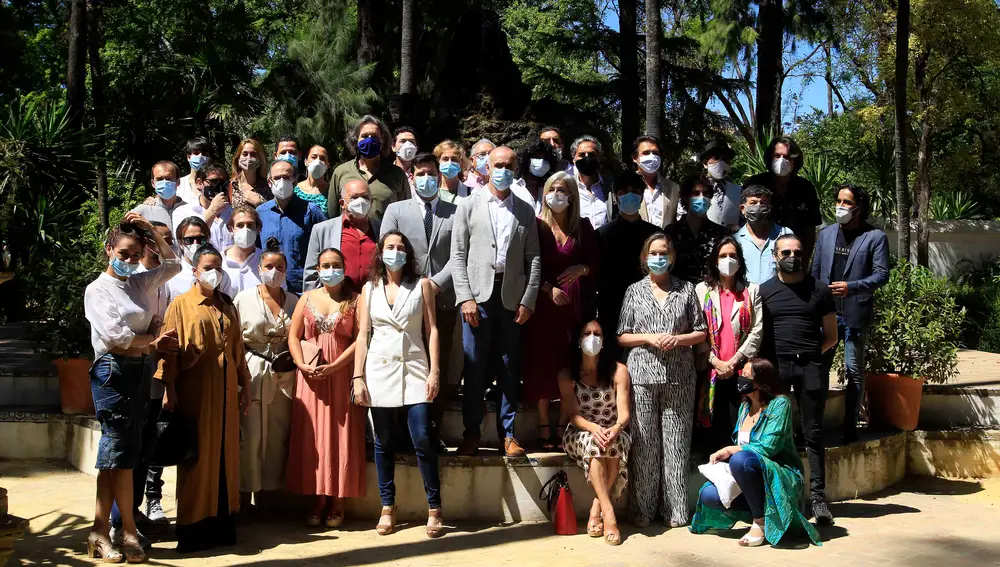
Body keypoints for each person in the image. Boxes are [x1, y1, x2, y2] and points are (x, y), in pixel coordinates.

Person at [84, 213, 180, 563]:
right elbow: (117, 340)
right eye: (122, 253)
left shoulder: (140, 282)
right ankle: (123, 529)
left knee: (122, 457)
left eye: (135, 254)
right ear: (108, 250)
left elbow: (174, 265)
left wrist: (152, 231)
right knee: (118, 457)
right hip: (112, 374)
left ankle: (101, 530)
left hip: (140, 372)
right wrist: (154, 337)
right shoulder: (97, 289)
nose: (128, 260)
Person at [156, 244, 252, 553]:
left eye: (218, 267)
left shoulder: (227, 306)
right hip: (196, 396)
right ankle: (193, 526)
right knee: (198, 459)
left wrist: (245, 386)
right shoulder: (181, 306)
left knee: (225, 458)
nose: (214, 272)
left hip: (226, 397)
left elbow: (238, 351)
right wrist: (169, 389)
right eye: (208, 267)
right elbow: (168, 353)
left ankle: (222, 523)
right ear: (195, 271)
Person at [452, 145, 541, 457]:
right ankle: (471, 434)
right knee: (474, 368)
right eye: (497, 164)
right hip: (477, 298)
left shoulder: (526, 210)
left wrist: (528, 300)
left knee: (508, 368)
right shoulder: (467, 205)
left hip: (511, 299)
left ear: (515, 168)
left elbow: (534, 259)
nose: (502, 169)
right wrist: (465, 298)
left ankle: (509, 435)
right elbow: (458, 255)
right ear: (486, 167)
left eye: (508, 164)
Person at [353, 231, 443, 538]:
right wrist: (358, 377)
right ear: (381, 252)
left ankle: (434, 508)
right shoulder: (369, 289)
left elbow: (431, 329)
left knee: (422, 438)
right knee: (384, 441)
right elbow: (363, 335)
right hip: (379, 370)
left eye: (401, 247)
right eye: (390, 247)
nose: (395, 252)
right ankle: (387, 507)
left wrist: (435, 371)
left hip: (416, 368)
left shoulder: (422, 285)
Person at [617, 232, 707, 528]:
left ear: (672, 256)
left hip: (679, 377)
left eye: (664, 252)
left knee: (676, 444)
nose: (659, 257)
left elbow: (701, 331)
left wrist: (678, 339)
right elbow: (623, 335)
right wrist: (648, 337)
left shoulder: (687, 289)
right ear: (645, 258)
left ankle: (676, 510)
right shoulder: (633, 291)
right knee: (645, 446)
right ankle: (643, 508)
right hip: (642, 376)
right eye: (653, 252)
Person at [690, 358, 821, 547]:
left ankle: (760, 522)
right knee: (709, 495)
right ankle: (760, 512)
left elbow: (770, 446)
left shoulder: (780, 404)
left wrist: (731, 450)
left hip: (778, 472)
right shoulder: (744, 407)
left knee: (739, 459)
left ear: (760, 381)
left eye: (746, 376)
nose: (741, 379)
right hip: (749, 474)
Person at [759, 234, 839, 525]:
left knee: (813, 433)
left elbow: (831, 336)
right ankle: (782, 495)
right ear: (775, 256)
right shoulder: (764, 291)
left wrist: (810, 355)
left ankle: (818, 499)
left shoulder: (820, 290)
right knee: (776, 435)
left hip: (810, 368)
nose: (792, 256)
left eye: (798, 251)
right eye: (786, 252)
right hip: (776, 369)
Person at [380, 152, 459, 441]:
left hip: (445, 298)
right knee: (408, 361)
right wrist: (411, 286)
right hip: (405, 300)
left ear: (440, 177)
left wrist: (436, 283)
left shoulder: (457, 210)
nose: (426, 178)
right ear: (411, 177)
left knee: (440, 363)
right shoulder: (396, 211)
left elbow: (460, 254)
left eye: (431, 173)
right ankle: (402, 430)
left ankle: (432, 429)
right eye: (420, 173)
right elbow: (388, 251)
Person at [286, 247, 365, 528]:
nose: (330, 269)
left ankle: (339, 499)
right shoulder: (306, 298)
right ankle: (318, 497)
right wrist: (301, 364)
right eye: (324, 265)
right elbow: (293, 336)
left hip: (342, 373)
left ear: (344, 268)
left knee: (342, 434)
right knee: (314, 435)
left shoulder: (356, 300)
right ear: (317, 269)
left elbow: (360, 339)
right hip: (310, 376)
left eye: (335, 264)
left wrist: (336, 366)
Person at [522, 171, 598, 450]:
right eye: (552, 189)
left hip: (575, 306)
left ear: (572, 195)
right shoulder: (537, 226)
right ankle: (544, 421)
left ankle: (569, 418)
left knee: (569, 360)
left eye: (563, 189)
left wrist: (582, 268)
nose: (557, 194)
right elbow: (527, 264)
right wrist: (548, 289)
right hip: (544, 305)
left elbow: (596, 263)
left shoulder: (584, 227)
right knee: (543, 361)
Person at [812, 184, 890, 442]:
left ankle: (850, 424)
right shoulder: (825, 234)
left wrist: (852, 287)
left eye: (846, 202)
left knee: (853, 368)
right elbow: (814, 273)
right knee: (820, 368)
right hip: (826, 314)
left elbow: (881, 275)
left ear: (859, 207)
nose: (841, 207)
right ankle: (815, 425)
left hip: (855, 313)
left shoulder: (874, 237)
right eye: (838, 201)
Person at [234, 238, 299, 515]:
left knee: (277, 433)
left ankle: (271, 496)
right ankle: (244, 493)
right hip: (252, 368)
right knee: (250, 434)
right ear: (260, 267)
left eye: (280, 267)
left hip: (283, 373)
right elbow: (234, 339)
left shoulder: (295, 301)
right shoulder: (244, 299)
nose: (274, 271)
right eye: (269, 266)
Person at [559, 320, 631, 546]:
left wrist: (615, 428)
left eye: (597, 333)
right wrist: (594, 428)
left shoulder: (619, 370)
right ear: (579, 340)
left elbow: (624, 414)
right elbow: (573, 415)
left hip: (613, 430)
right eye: (587, 333)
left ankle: (596, 507)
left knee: (612, 444)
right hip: (580, 431)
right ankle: (609, 514)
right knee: (594, 443)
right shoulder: (567, 374)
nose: (592, 337)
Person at [694, 236, 764, 445]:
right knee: (713, 429)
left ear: (740, 261)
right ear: (715, 261)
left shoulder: (752, 291)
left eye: (732, 255)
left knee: (739, 427)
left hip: (740, 371)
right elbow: (698, 330)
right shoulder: (702, 291)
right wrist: (716, 362)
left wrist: (732, 363)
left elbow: (756, 331)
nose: (728, 259)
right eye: (723, 256)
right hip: (710, 371)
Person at [134, 221, 174, 526]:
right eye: (156, 239)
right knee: (129, 447)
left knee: (151, 443)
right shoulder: (133, 278)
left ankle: (148, 502)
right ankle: (123, 515)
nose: (162, 244)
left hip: (156, 373)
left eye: (167, 238)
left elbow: (173, 262)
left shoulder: (166, 282)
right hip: (131, 371)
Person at [595, 172, 658, 360]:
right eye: (623, 192)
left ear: (642, 197)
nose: (629, 196)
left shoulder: (654, 234)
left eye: (635, 192)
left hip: (648, 308)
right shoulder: (601, 235)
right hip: (612, 308)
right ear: (615, 197)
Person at [257, 160, 328, 293]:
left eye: (286, 177)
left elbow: (327, 249)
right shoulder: (260, 214)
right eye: (277, 178)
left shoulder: (312, 212)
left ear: (294, 180)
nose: (282, 181)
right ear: (269, 182)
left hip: (303, 291)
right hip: (270, 291)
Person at [744, 137, 822, 257]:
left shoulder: (806, 188)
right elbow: (742, 221)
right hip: (759, 253)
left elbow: (810, 231)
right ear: (770, 158)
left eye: (787, 157)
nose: (781, 160)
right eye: (777, 156)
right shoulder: (754, 183)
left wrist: (804, 263)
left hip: (792, 257)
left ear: (794, 160)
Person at [304, 179, 381, 292]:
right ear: (342, 204)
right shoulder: (322, 230)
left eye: (365, 197)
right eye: (354, 197)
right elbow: (311, 274)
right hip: (336, 301)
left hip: (372, 300)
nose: (360, 201)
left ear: (371, 201)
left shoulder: (381, 229)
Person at [330, 115, 409, 221]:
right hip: (348, 236)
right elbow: (332, 214)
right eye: (365, 136)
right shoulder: (341, 172)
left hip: (385, 237)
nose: (369, 140)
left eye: (375, 136)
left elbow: (406, 214)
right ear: (356, 140)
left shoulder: (397, 175)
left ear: (383, 141)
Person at [666, 176, 728, 284]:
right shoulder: (671, 233)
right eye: (696, 193)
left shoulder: (720, 233)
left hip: (709, 294)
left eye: (705, 193)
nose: (701, 197)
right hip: (678, 293)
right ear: (686, 198)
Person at [166, 216, 235, 303]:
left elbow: (226, 306)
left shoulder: (221, 275)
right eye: (189, 240)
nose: (196, 244)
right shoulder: (171, 277)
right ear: (180, 243)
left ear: (208, 239)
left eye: (201, 239)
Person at [734, 185, 793, 285]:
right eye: (753, 203)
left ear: (770, 207)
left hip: (777, 296)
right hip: (746, 297)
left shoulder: (785, 234)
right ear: (743, 209)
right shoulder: (735, 240)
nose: (758, 206)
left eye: (763, 203)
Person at [173, 161, 235, 251]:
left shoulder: (234, 214)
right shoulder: (182, 212)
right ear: (199, 183)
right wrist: (212, 211)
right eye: (214, 181)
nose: (219, 186)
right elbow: (182, 244)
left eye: (223, 182)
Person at [632, 136, 680, 229]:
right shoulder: (626, 187)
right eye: (646, 153)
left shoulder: (673, 188)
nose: (651, 156)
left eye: (655, 153)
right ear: (635, 158)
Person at [568, 135, 611, 229]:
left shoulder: (610, 188)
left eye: (591, 155)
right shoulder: (568, 188)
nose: (587, 158)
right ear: (574, 159)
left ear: (598, 158)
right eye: (582, 155)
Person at [698, 140, 741, 229]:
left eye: (725, 159)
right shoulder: (695, 190)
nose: (721, 163)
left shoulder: (739, 191)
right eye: (716, 158)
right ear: (705, 163)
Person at [222, 206, 265, 296]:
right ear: (231, 229)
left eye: (250, 225)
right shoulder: (220, 262)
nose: (245, 230)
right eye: (240, 225)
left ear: (258, 229)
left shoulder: (266, 262)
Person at [131, 161, 188, 229]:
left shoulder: (188, 210)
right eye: (159, 179)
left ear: (178, 181)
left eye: (168, 178)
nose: (164, 182)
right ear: (153, 183)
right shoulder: (143, 211)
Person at [511, 139, 558, 214]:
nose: (541, 162)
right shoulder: (513, 186)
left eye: (545, 158)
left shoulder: (548, 190)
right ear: (525, 159)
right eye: (536, 157)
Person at [230, 138, 272, 208]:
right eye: (245, 154)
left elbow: (275, 215)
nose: (248, 158)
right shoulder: (230, 186)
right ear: (238, 158)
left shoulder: (269, 187)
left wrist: (259, 203)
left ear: (260, 160)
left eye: (253, 154)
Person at [178, 137, 215, 205]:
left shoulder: (215, 183)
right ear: (188, 157)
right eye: (196, 153)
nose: (200, 156)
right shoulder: (178, 185)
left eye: (204, 154)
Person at [296, 145, 332, 212]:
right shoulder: (294, 190)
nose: (318, 161)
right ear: (306, 161)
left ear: (328, 165)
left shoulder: (332, 192)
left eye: (322, 158)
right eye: (313, 157)